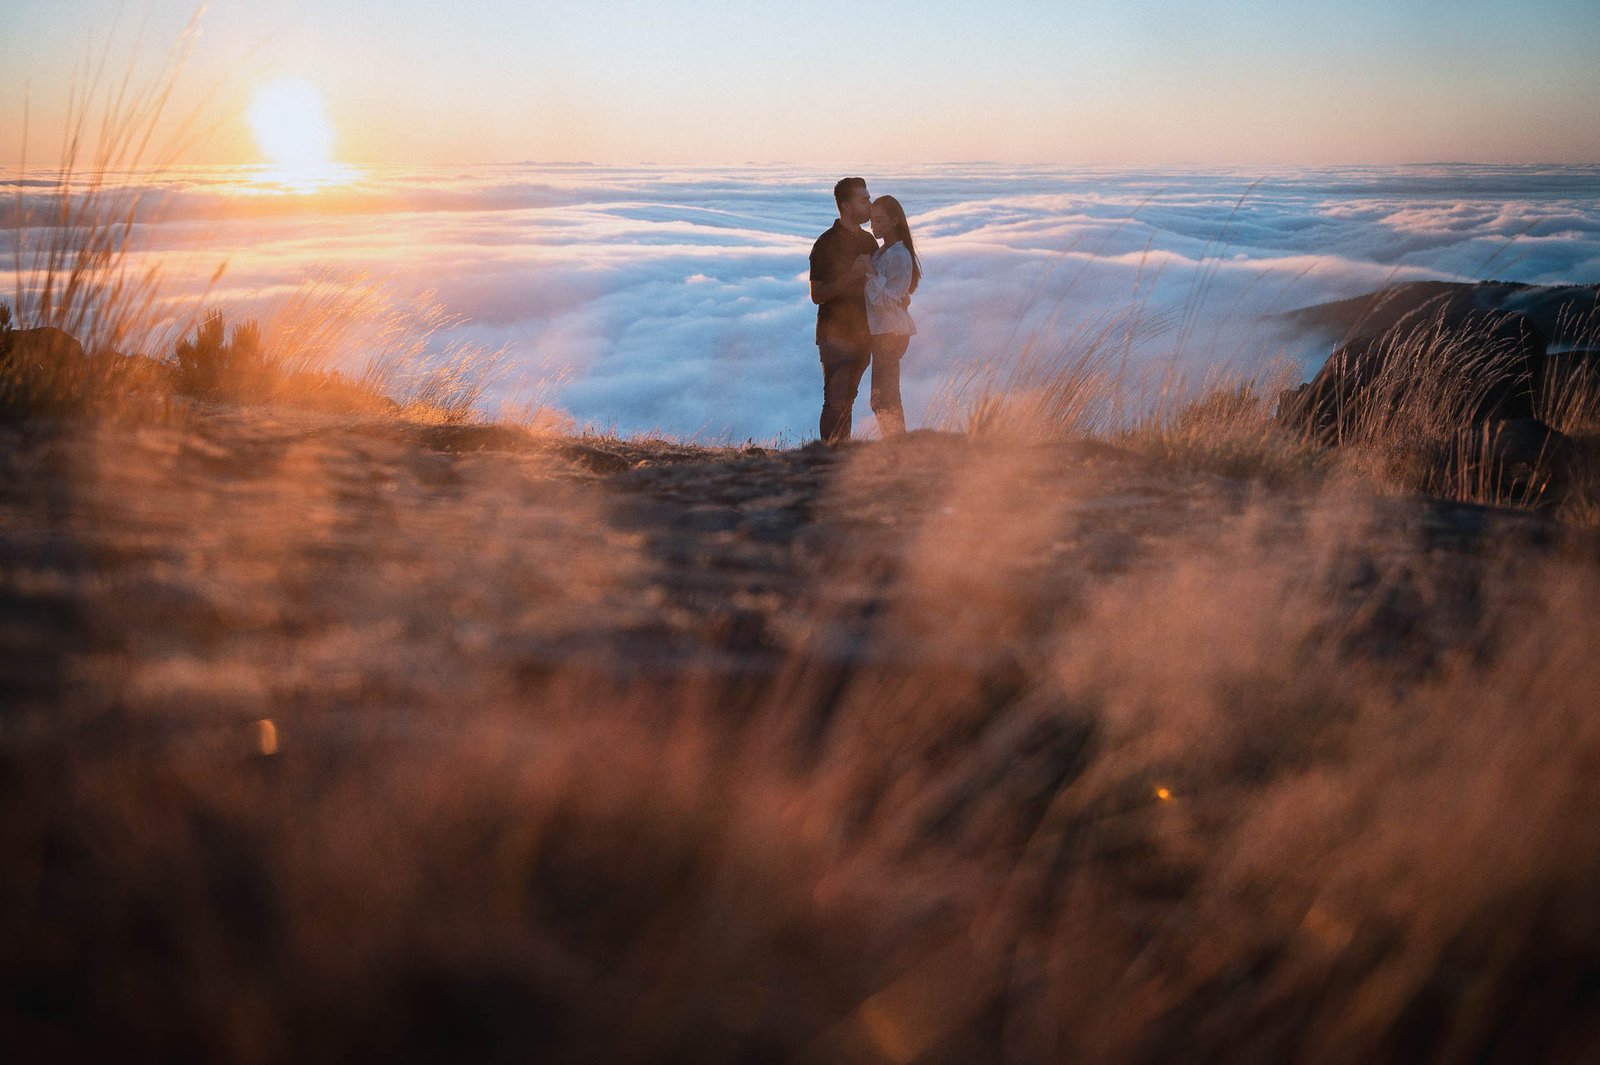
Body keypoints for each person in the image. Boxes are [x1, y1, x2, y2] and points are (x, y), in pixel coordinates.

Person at [808, 177, 878, 443]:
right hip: (835, 335)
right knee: (836, 400)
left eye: (869, 198)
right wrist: (852, 274)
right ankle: (829, 458)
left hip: (863, 333)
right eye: (864, 200)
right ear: (846, 206)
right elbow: (817, 295)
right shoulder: (825, 244)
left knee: (848, 399)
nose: (869, 204)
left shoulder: (869, 241)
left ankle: (841, 455)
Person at [863, 195, 921, 437]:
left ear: (894, 220)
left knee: (884, 397)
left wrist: (868, 270)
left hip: (891, 333)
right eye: (872, 221)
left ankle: (897, 447)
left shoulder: (899, 255)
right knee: (883, 397)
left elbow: (886, 299)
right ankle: (896, 446)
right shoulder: (885, 251)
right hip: (884, 332)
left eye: (879, 220)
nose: (874, 226)